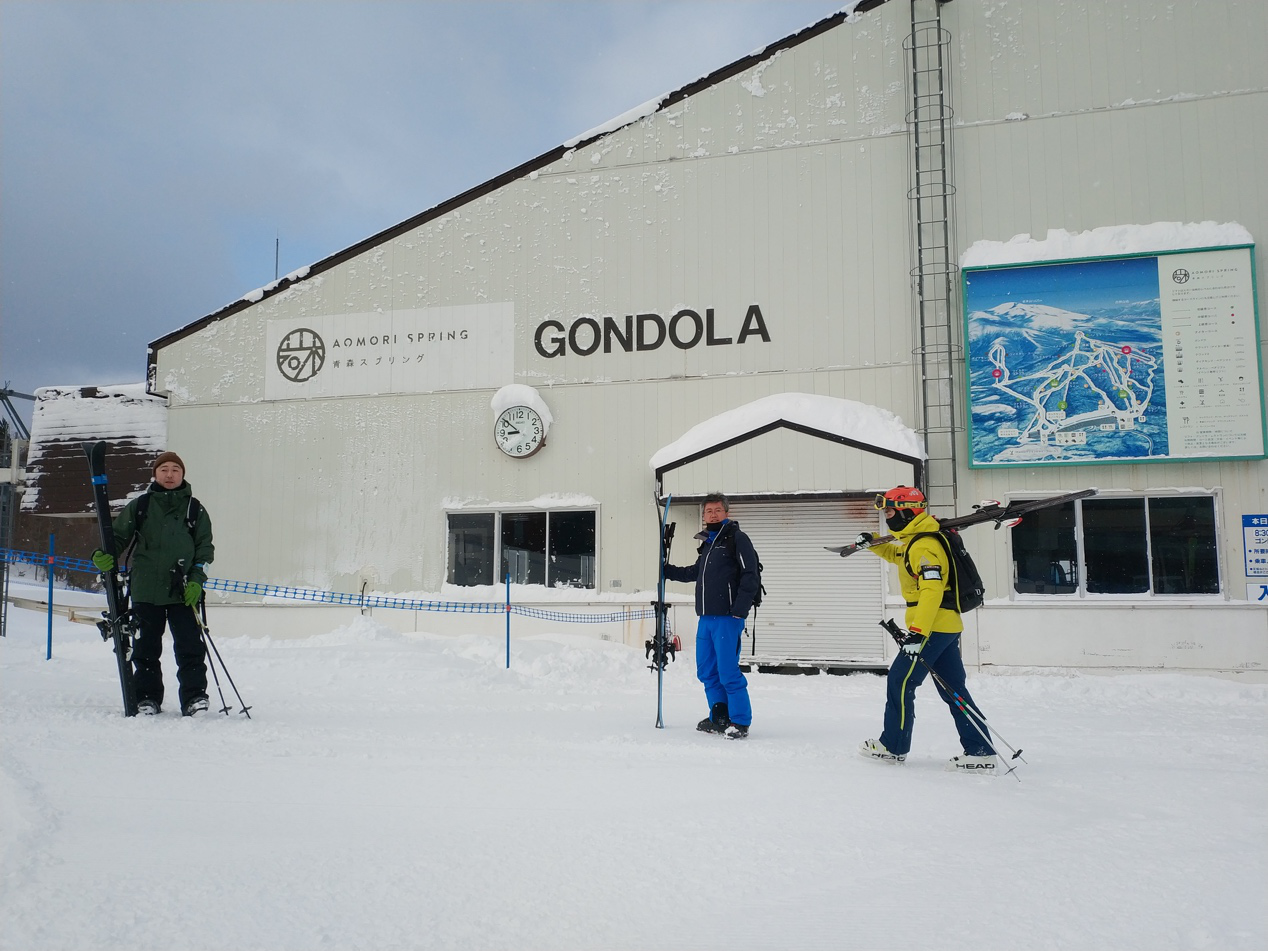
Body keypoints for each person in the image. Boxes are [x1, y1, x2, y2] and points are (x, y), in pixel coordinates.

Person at [855, 486, 996, 772]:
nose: (887, 517)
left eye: (890, 511)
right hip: (943, 627)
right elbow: (900, 558)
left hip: (932, 628)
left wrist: (918, 632)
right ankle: (980, 750)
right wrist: (874, 544)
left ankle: (893, 746)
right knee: (954, 690)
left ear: (908, 511)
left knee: (900, 681)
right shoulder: (916, 541)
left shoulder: (925, 545)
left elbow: (932, 590)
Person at [92, 451, 215, 716]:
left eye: (175, 470)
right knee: (145, 647)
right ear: (155, 474)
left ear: (183, 474)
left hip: (184, 590)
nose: (169, 474)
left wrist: (196, 581)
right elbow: (117, 538)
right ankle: (147, 698)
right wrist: (102, 555)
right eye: (164, 469)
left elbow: (204, 552)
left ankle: (194, 698)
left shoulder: (195, 509)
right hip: (146, 588)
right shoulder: (141, 506)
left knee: (190, 647)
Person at [663, 493, 760, 739]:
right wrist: (667, 571)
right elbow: (696, 572)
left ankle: (740, 721)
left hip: (728, 617)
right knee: (706, 670)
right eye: (709, 511)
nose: (713, 514)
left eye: (717, 510)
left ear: (726, 513)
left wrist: (740, 609)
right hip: (705, 617)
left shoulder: (737, 539)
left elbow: (750, 575)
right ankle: (720, 715)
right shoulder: (709, 542)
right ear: (704, 515)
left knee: (727, 671)